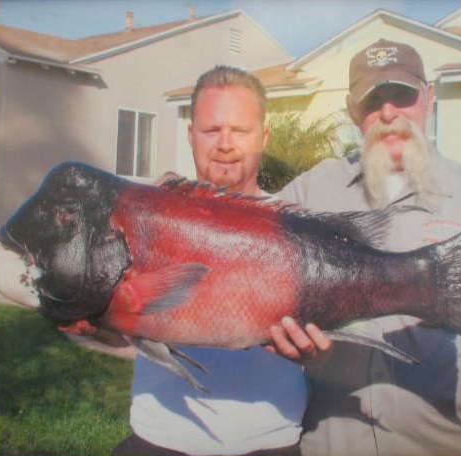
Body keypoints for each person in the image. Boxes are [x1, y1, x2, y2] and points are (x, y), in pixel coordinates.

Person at [274, 40, 461, 456]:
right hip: (328, 445)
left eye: (403, 95)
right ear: (353, 112)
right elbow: (251, 238)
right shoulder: (312, 190)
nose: (389, 113)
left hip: (442, 445)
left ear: (429, 98)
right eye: (373, 100)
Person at [63, 66, 331, 456]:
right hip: (160, 441)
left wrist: (318, 355)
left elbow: (326, 349)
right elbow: (118, 332)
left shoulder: (296, 226)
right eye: (211, 130)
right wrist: (84, 325)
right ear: (191, 136)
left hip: (270, 443)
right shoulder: (144, 220)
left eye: (240, 130)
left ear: (264, 136)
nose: (225, 144)